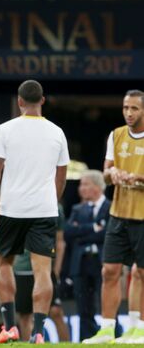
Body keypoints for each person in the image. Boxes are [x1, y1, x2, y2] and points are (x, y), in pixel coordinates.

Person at [0, 80, 69, 344]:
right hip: (43, 209)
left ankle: (10, 327)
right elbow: (61, 176)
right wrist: (51, 201)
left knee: (4, 265)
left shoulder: (5, 130)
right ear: (42, 100)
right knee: (43, 271)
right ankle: (39, 332)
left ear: (20, 102)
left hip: (12, 209)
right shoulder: (57, 132)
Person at [83, 90, 144, 344]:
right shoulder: (116, 135)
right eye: (125, 108)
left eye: (134, 109)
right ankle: (107, 329)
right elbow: (106, 171)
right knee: (109, 271)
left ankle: (137, 329)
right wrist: (114, 174)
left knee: (140, 273)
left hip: (142, 216)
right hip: (118, 213)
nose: (129, 113)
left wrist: (138, 179)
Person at [64, 170, 110, 342]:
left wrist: (81, 232)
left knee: (107, 303)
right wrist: (93, 228)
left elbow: (108, 234)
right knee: (84, 307)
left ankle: (113, 335)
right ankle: (86, 340)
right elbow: (68, 232)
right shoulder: (77, 209)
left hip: (103, 262)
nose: (80, 189)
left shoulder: (111, 207)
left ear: (97, 187)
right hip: (80, 263)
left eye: (85, 184)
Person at [14, 205, 70, 342]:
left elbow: (60, 241)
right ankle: (29, 343)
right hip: (21, 267)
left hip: (45, 267)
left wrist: (56, 269)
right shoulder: (14, 202)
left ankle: (67, 344)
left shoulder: (54, 206)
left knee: (56, 312)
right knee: (24, 315)